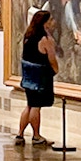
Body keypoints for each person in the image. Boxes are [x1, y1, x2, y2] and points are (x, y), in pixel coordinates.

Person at [15, 9, 58, 146]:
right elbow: (51, 58)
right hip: (40, 77)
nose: (53, 22)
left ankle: (20, 134)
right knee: (36, 106)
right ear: (45, 23)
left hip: (29, 76)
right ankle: (36, 135)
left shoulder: (28, 36)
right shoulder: (45, 39)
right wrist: (55, 69)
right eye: (50, 20)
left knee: (29, 105)